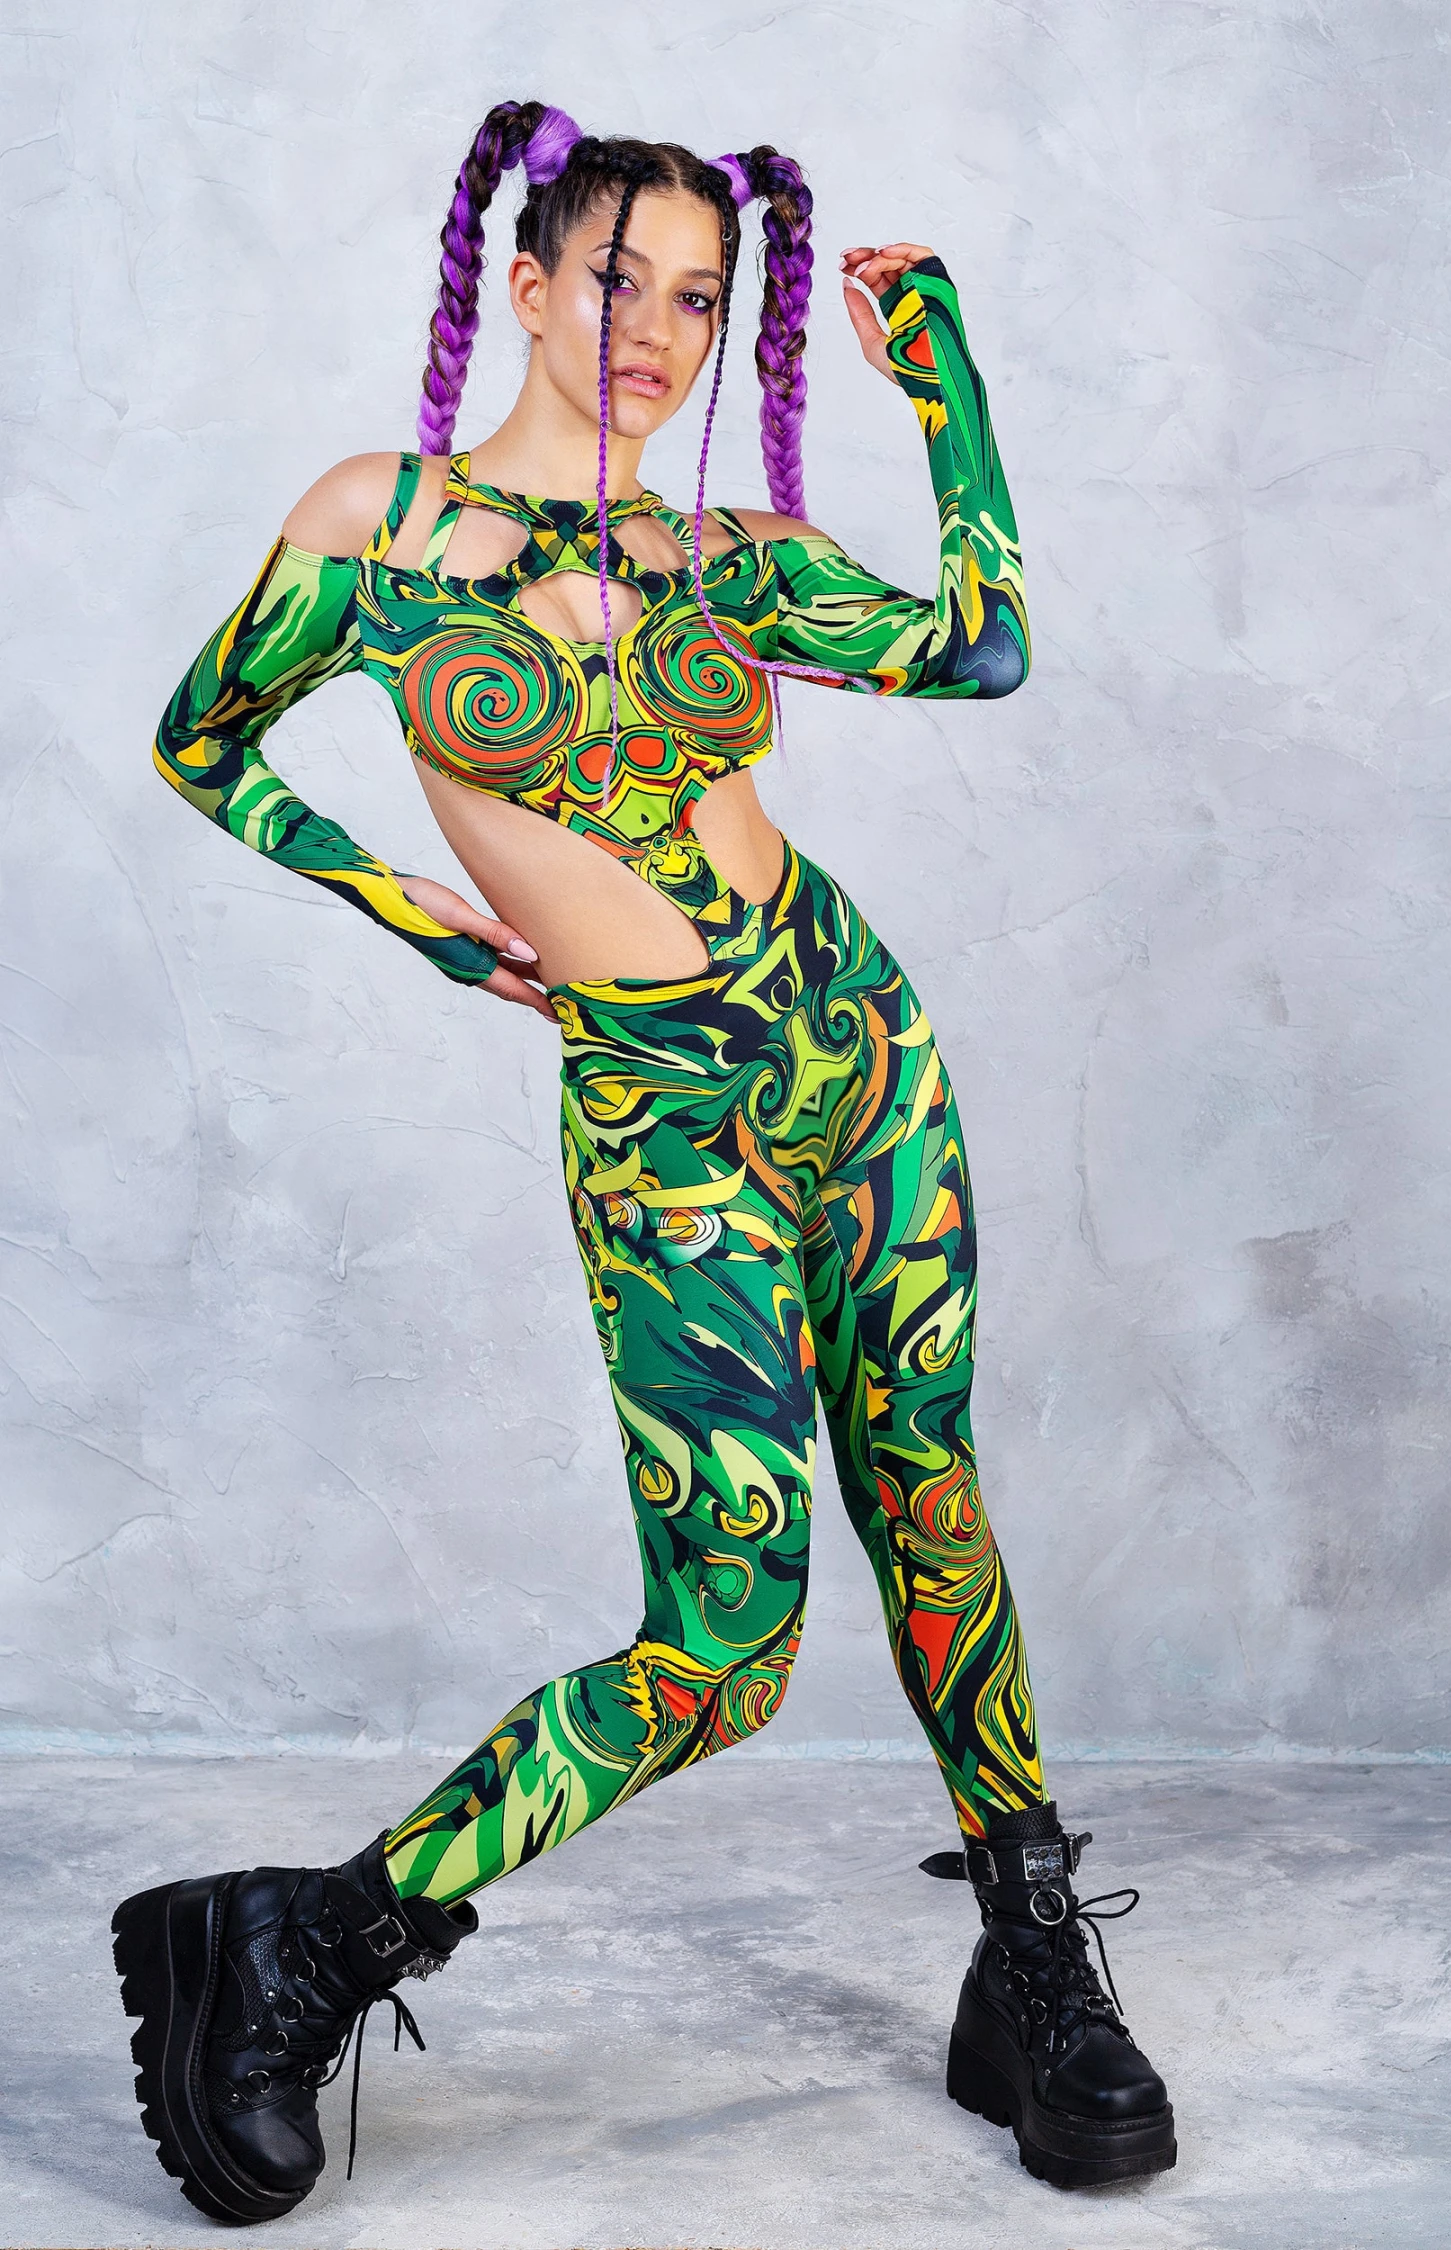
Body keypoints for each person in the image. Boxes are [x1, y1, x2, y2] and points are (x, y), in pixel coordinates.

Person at [111, 103, 1176, 2224]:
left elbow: (979, 644)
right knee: (727, 1642)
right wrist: (403, 906)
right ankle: (308, 1938)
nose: (660, 332)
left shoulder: (724, 553)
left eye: (700, 297)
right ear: (529, 283)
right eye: (621, 281)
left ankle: (1030, 1957)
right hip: (664, 1106)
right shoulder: (382, 522)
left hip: (856, 1051)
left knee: (932, 1492)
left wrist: (948, 394)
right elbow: (200, 737)